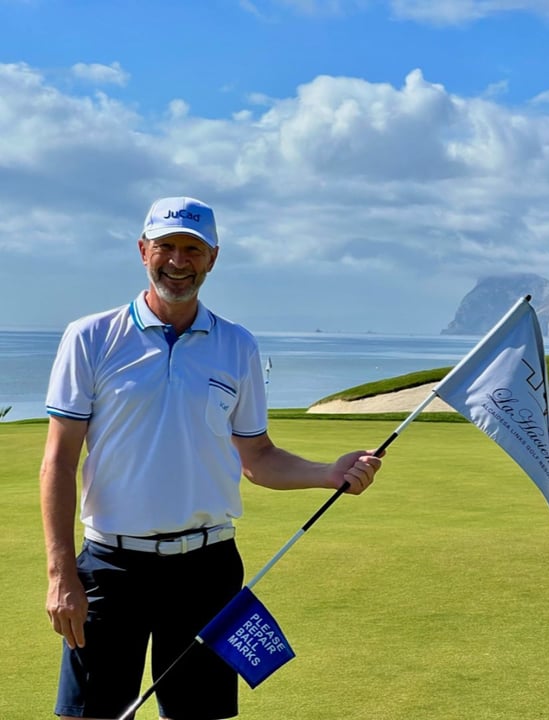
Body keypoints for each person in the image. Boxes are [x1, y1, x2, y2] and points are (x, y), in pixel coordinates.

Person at [41, 197, 384, 720]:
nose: (178, 261)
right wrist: (60, 572)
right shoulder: (90, 337)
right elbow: (59, 463)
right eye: (167, 247)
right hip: (111, 568)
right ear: (143, 251)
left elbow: (258, 456)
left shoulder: (237, 345)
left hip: (207, 570)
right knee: (89, 716)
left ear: (212, 258)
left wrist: (326, 474)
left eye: (192, 250)